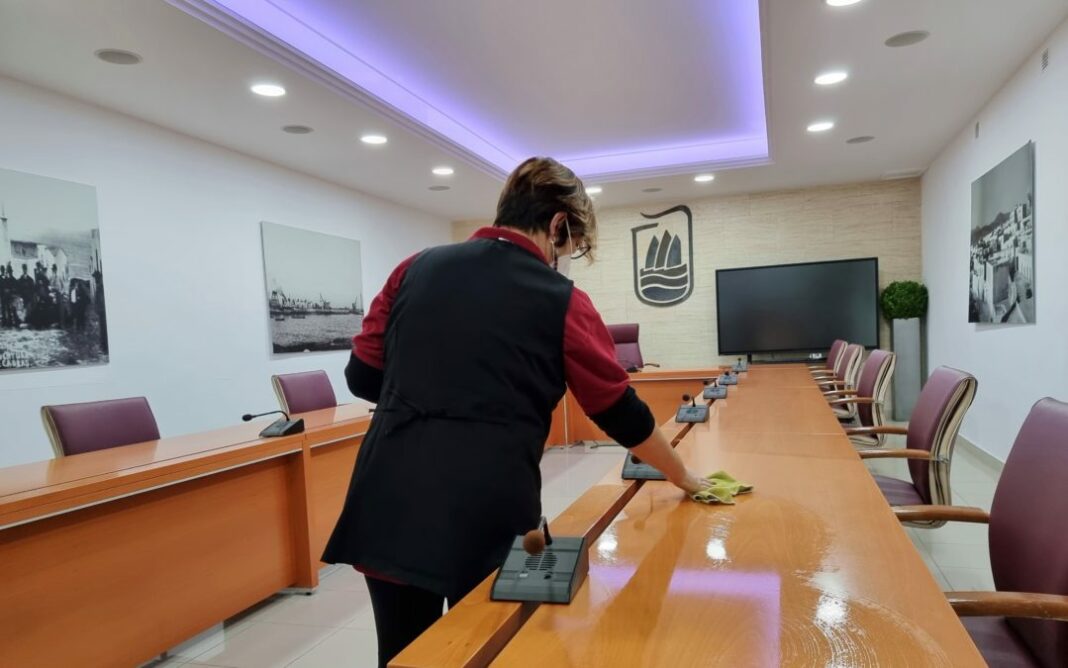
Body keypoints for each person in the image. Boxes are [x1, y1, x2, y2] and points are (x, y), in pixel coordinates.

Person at [322, 157, 711, 667]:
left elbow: (362, 377)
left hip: (389, 499)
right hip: (486, 510)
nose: (564, 259)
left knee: (404, 655)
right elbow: (618, 411)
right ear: (558, 224)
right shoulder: (562, 301)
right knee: (493, 649)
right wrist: (682, 476)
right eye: (571, 248)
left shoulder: (413, 268)